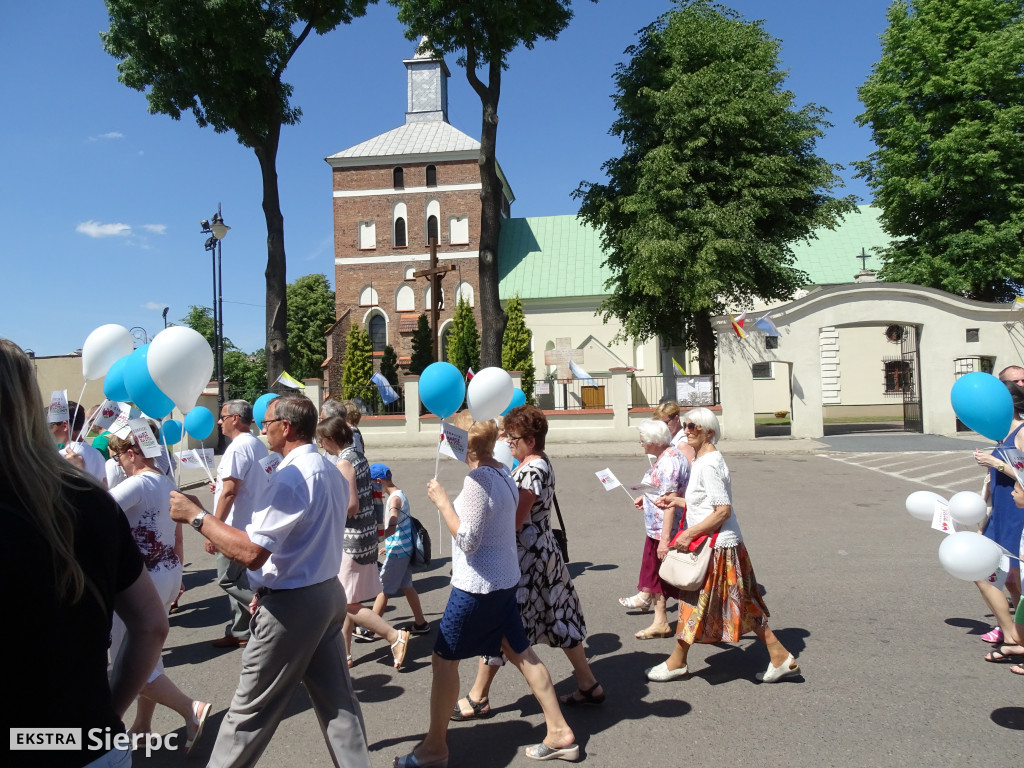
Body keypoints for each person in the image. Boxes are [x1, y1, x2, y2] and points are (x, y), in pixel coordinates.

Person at [169, 395, 373, 768]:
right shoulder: (326, 468)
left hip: (295, 606)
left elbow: (250, 553)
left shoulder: (294, 476)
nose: (263, 429)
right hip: (324, 594)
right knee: (339, 704)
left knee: (247, 715)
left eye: (267, 422)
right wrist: (266, 587)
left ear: (287, 427)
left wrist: (197, 517)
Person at [3, 338, 168, 768]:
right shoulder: (90, 499)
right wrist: (104, 716)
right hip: (92, 743)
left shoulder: (93, 491)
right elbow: (152, 625)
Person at [396, 413, 578, 767]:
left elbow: (468, 539)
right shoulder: (503, 471)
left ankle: (435, 749)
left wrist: (442, 502)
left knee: (443, 659)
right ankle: (559, 732)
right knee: (522, 652)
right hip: (503, 582)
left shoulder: (479, 478)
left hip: (478, 588)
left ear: (463, 444)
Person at [452, 405, 603, 720]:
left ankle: (478, 697)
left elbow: (515, 522)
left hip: (526, 559)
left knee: (503, 626)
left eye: (514, 438)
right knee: (558, 617)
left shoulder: (531, 470)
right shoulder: (539, 463)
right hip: (543, 555)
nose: (509, 443)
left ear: (531, 441)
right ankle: (588, 683)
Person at [645, 407, 801, 684]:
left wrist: (687, 533)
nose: (687, 430)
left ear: (710, 433)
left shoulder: (709, 464)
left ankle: (677, 662)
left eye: (694, 426)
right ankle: (780, 657)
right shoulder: (705, 460)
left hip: (717, 547)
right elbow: (707, 504)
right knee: (740, 604)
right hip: (720, 545)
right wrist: (679, 502)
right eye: (686, 425)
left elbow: (722, 511)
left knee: (695, 603)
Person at [106, 433, 211, 753]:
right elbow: (178, 531)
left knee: (129, 661)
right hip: (165, 574)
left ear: (134, 452)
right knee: (148, 653)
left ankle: (190, 710)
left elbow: (94, 511)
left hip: (139, 582)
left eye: (118, 456)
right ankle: (142, 726)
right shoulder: (166, 482)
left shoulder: (138, 484)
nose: (118, 463)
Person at [315, 415, 410, 668]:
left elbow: (351, 504)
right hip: (365, 535)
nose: (322, 446)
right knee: (347, 597)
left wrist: (326, 513)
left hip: (352, 539)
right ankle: (344, 654)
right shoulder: (359, 456)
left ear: (331, 439)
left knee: (346, 602)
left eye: (322, 441)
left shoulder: (345, 462)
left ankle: (393, 635)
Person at [207, 399, 270, 649]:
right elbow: (244, 484)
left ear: (235, 418)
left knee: (227, 579)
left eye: (222, 416)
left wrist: (213, 528)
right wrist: (219, 487)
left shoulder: (237, 448)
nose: (219, 422)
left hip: (234, 526)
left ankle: (267, 611)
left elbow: (230, 492)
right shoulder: (256, 444)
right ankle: (240, 630)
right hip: (251, 523)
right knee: (240, 579)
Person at [618, 419, 688, 639]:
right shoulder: (668, 456)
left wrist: (665, 540)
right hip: (657, 529)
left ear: (655, 442)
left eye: (643, 441)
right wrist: (646, 498)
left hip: (664, 530)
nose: (641, 444)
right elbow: (660, 492)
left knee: (671, 577)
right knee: (658, 575)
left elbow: (670, 500)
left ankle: (675, 622)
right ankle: (660, 621)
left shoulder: (669, 462)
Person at [973, 377, 1024, 647]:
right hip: (1001, 514)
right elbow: (994, 484)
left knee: (990, 574)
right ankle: (1016, 632)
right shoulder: (1002, 434)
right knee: (1012, 582)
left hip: (1018, 515)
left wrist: (996, 462)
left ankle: (1012, 635)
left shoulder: (1022, 432)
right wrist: (985, 519)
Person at [367, 462, 430, 634]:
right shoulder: (400, 494)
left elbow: (394, 522)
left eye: (370, 481)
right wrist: (389, 544)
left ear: (379, 481)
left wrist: (379, 538)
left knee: (382, 589)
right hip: (403, 548)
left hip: (398, 553)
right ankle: (421, 624)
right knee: (407, 586)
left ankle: (370, 629)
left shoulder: (394, 500)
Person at [51, 399, 107, 485]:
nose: (50, 430)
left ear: (65, 425)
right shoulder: (96, 453)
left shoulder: (63, 456)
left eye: (52, 425)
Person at [652, 400, 697, 465]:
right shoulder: (671, 439)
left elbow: (689, 472)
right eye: (660, 424)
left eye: (666, 423)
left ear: (677, 419)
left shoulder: (684, 442)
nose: (663, 427)